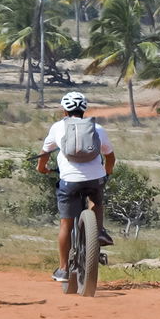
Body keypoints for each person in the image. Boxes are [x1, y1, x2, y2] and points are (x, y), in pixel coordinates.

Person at [36, 91, 115, 282]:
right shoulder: (97, 128)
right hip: (95, 178)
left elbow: (44, 154)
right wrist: (107, 173)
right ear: (84, 109)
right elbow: (110, 157)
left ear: (64, 110)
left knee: (66, 223)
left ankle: (63, 269)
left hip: (69, 181)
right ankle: (99, 231)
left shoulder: (57, 128)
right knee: (96, 200)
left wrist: (42, 169)